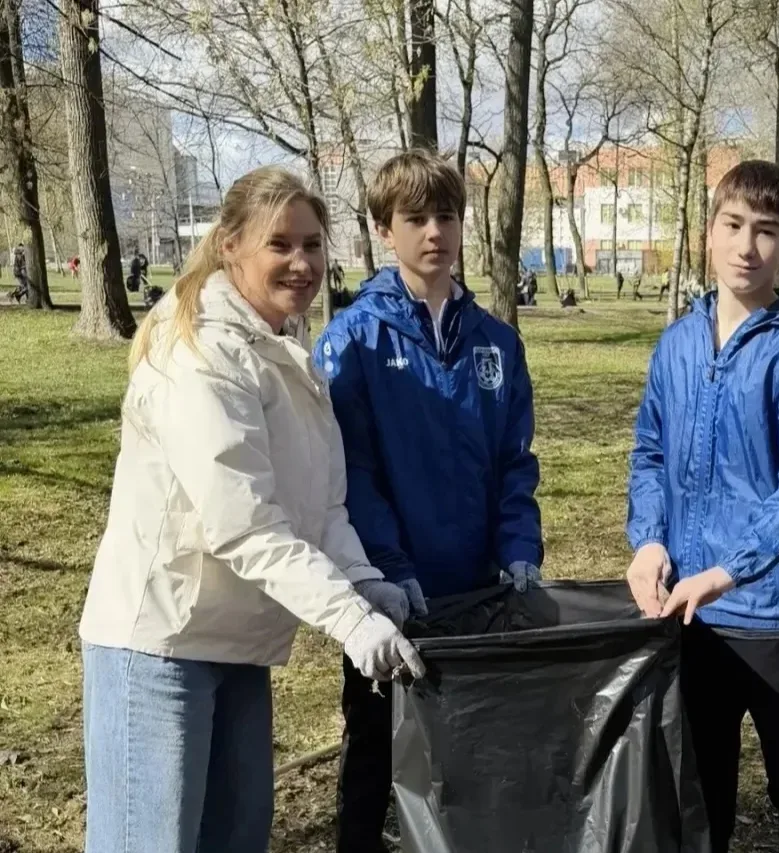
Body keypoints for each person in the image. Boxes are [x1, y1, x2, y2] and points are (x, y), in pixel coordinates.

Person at [77, 166, 425, 853]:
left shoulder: (285, 352)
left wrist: (364, 580)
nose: (302, 263)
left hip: (237, 643)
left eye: (312, 244)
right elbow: (244, 525)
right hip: (162, 645)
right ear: (231, 245)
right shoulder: (199, 350)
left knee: (237, 838)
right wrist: (351, 621)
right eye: (280, 244)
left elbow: (321, 508)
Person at [314, 149, 543, 853]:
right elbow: (350, 473)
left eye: (446, 215)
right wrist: (387, 568)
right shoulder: (353, 339)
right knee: (375, 754)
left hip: (479, 594)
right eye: (415, 218)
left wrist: (518, 548)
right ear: (385, 230)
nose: (434, 232)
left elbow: (515, 463)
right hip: (391, 595)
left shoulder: (496, 342)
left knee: (472, 759)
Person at [625, 159, 779, 853]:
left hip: (775, 619)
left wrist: (733, 569)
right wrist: (649, 540)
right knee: (699, 794)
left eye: (767, 231)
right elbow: (649, 451)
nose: (748, 246)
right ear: (709, 231)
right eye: (734, 225)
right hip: (690, 615)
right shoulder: (677, 345)